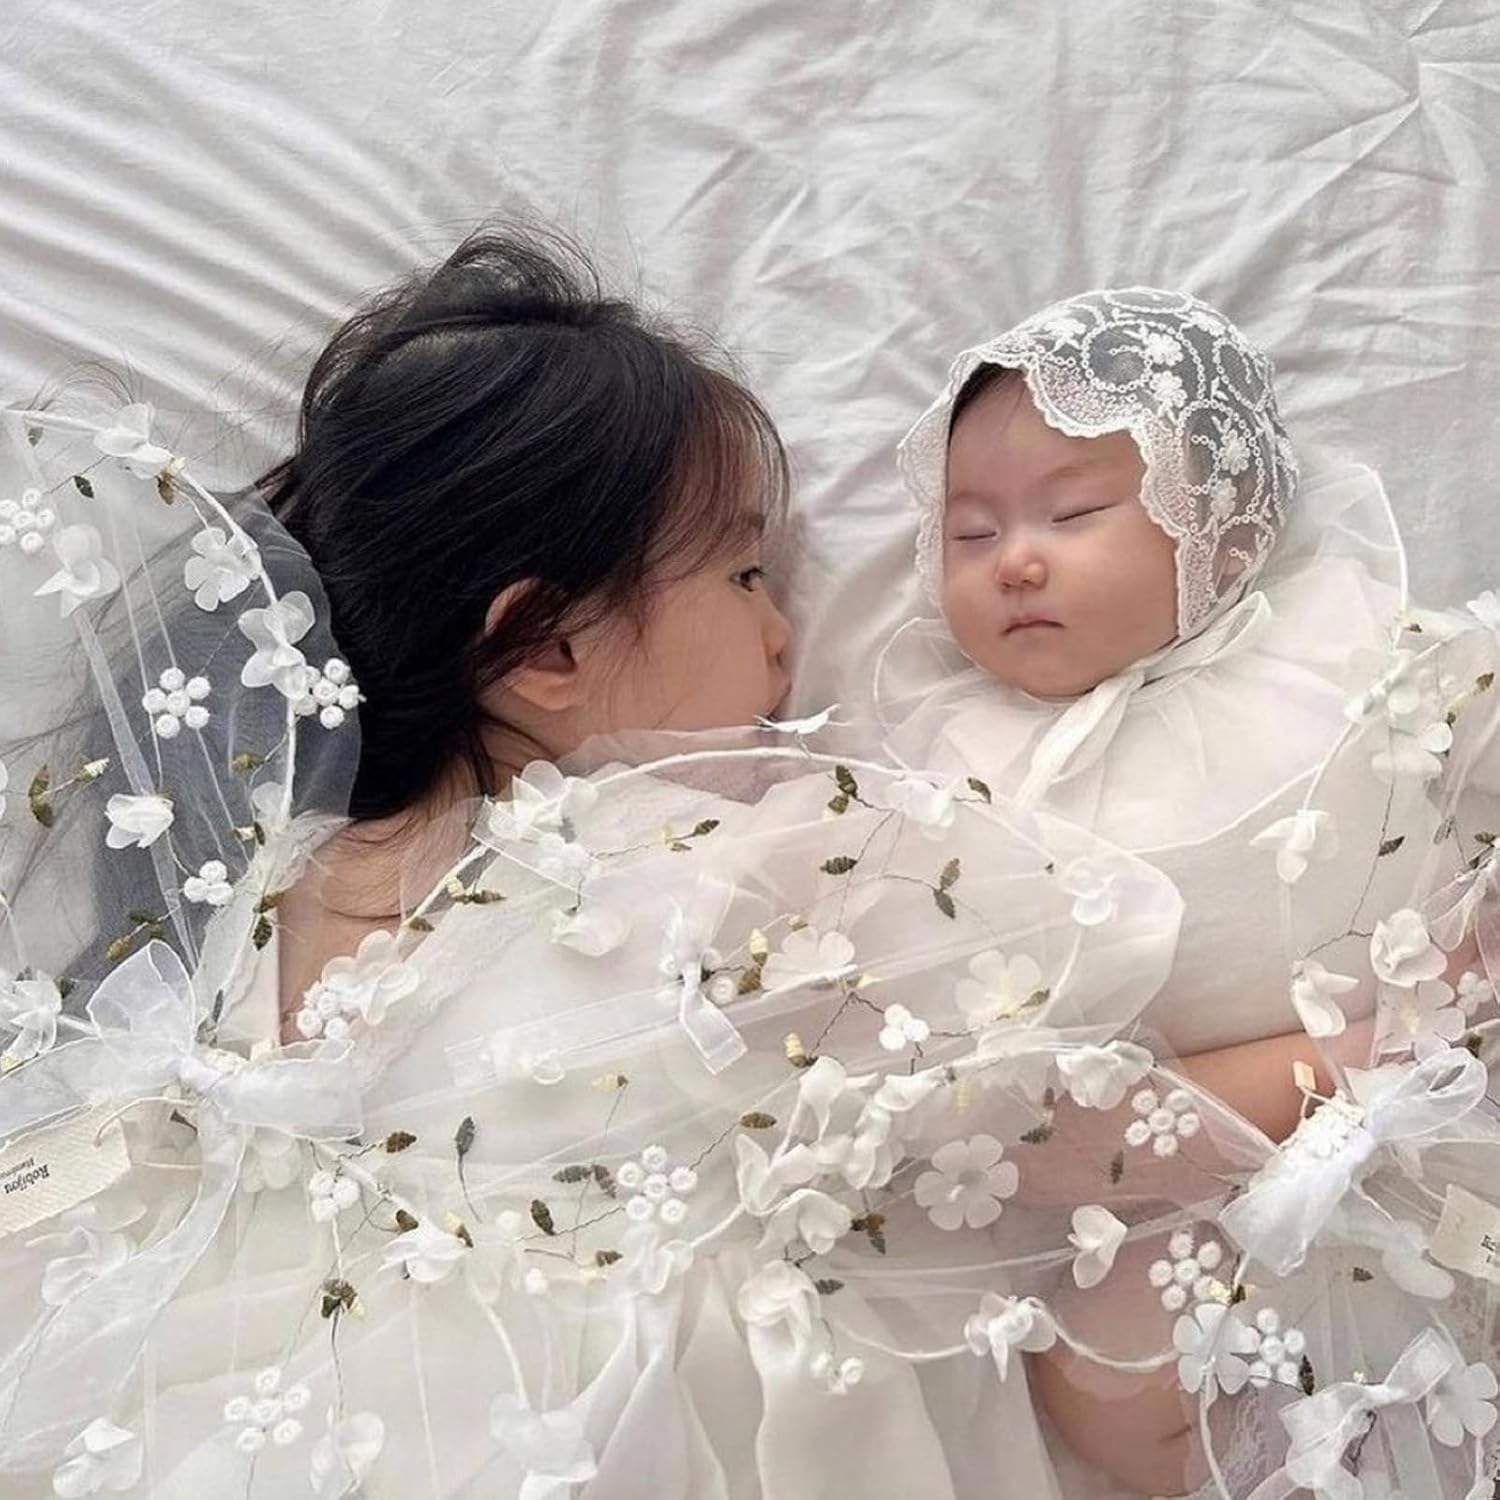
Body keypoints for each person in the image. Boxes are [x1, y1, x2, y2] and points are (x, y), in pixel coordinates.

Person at [0, 231, 1197, 1499]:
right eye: (746, 573)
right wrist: (1331, 1063)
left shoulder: (253, 886)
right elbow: (1054, 1118)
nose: (784, 629)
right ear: (546, 651)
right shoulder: (715, 866)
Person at [887, 287, 1500, 1495]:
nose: (1015, 559)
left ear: (1216, 527)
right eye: (969, 532)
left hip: (1442, 1097)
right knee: (1101, 1383)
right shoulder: (960, 756)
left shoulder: (1339, 648)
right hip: (1168, 1190)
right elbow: (972, 1058)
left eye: (1075, 513)